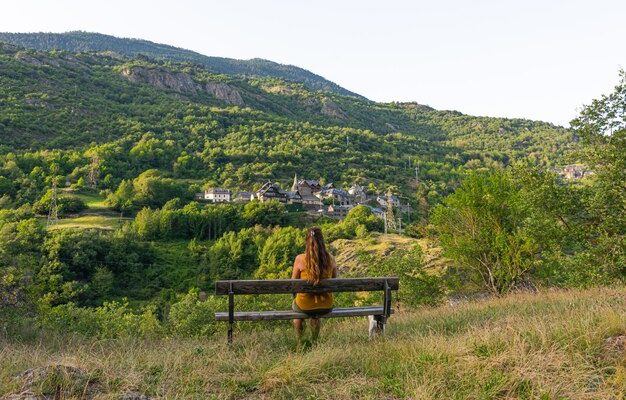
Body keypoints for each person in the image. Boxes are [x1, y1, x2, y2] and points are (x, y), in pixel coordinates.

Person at [291, 226, 337, 347]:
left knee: (296, 309)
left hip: (304, 305)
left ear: (307, 241)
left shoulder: (300, 259)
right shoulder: (331, 259)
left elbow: (293, 283)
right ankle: (315, 341)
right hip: (325, 305)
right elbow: (334, 281)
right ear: (322, 241)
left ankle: (299, 342)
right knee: (315, 314)